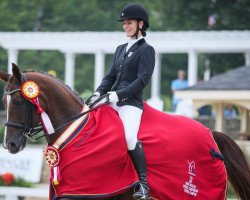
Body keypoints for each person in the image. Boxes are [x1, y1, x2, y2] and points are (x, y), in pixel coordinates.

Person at [89, 4, 155, 199]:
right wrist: (97, 93)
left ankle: (143, 186)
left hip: (130, 103)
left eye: (129, 23)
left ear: (140, 24)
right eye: (124, 23)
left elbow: (142, 80)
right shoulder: (120, 49)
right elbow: (110, 77)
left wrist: (118, 95)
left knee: (129, 138)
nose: (125, 26)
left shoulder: (147, 50)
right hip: (110, 99)